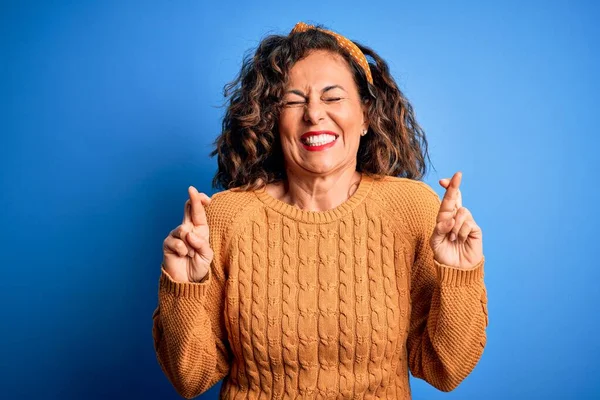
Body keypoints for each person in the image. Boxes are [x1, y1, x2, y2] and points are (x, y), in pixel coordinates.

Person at [152, 21, 488, 399]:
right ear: (272, 120)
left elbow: (446, 369)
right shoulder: (226, 217)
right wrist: (184, 286)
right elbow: (190, 377)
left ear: (365, 116)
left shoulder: (412, 209)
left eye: (332, 97)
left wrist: (459, 276)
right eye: (293, 100)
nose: (314, 114)